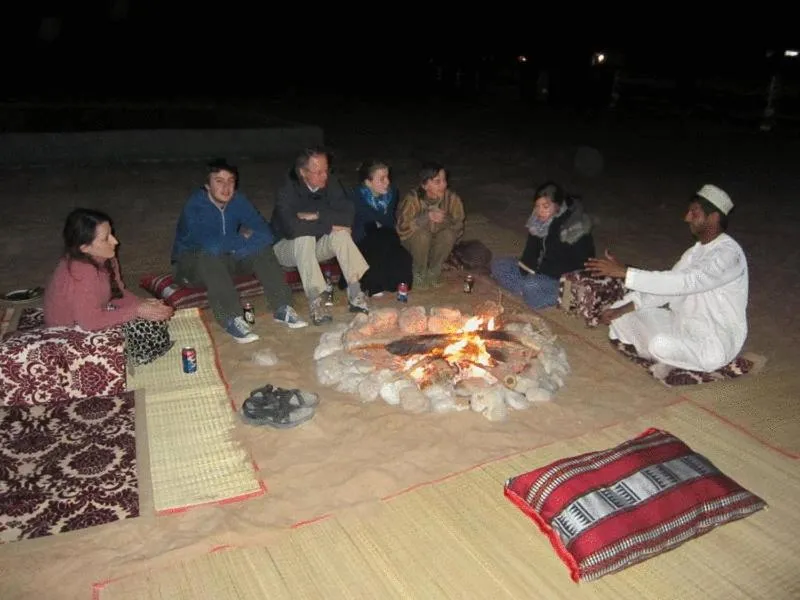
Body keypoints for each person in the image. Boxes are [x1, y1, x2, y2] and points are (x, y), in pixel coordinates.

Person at [584, 184, 748, 375]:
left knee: (660, 344)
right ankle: (671, 357)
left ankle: (667, 356)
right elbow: (668, 288)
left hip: (714, 342)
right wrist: (622, 309)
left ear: (714, 217)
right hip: (681, 324)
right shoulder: (695, 252)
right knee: (621, 318)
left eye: (694, 213)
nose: (687, 217)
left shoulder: (729, 255)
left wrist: (626, 273)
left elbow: (685, 282)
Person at [171, 159, 307, 344]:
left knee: (262, 250)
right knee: (210, 257)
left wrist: (241, 243)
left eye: (230, 181)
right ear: (207, 186)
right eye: (219, 181)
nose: (226, 187)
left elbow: (266, 233)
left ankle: (282, 307)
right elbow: (211, 246)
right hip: (191, 264)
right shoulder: (195, 206)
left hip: (228, 257)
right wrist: (243, 237)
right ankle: (231, 318)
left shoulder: (238, 200)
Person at [44, 208, 175, 364]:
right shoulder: (82, 273)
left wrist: (142, 303)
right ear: (85, 248)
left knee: (152, 318)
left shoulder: (104, 258)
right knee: (145, 331)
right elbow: (90, 322)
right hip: (69, 332)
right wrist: (137, 310)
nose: (115, 241)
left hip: (91, 315)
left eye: (111, 233)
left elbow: (117, 294)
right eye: (106, 238)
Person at [271, 147, 370, 325]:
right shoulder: (287, 188)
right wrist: (328, 223)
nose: (324, 175)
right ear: (303, 172)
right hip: (285, 248)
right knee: (304, 236)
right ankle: (315, 300)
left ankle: (355, 292)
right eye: (318, 172)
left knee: (340, 235)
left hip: (314, 247)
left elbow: (347, 215)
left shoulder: (330, 182)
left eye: (326, 170)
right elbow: (292, 229)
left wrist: (316, 215)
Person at [490, 181, 595, 309]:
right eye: (537, 206)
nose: (540, 211)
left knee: (531, 285)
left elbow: (580, 265)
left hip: (564, 279)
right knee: (499, 264)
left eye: (545, 207)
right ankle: (527, 292)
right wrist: (526, 269)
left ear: (558, 205)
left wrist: (536, 273)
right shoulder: (537, 221)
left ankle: (558, 297)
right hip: (539, 272)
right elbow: (530, 253)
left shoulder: (573, 226)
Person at [344, 159, 412, 296]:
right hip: (362, 238)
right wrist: (375, 223)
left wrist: (375, 223)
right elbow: (360, 224)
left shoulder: (392, 193)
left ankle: (397, 284)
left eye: (387, 177)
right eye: (381, 179)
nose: (387, 182)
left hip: (386, 235)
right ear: (368, 182)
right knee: (378, 242)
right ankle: (372, 285)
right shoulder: (355, 196)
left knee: (400, 253)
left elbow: (388, 221)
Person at [396, 162, 465, 289]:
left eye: (444, 180)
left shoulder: (451, 199)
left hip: (436, 244)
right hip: (414, 245)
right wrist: (426, 217)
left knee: (449, 235)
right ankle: (418, 273)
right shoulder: (413, 199)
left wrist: (445, 220)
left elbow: (459, 227)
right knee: (422, 235)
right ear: (424, 185)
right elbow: (402, 229)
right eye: (437, 182)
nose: (443, 185)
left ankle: (434, 272)